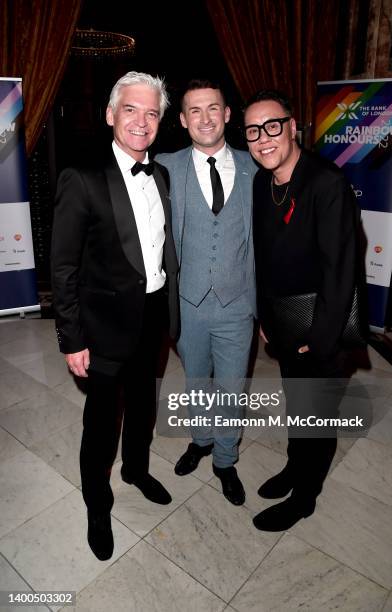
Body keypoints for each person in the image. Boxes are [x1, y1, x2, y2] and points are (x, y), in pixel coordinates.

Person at [51, 71, 179, 560]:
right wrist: (71, 338)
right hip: (102, 326)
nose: (141, 121)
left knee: (144, 404)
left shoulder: (161, 174)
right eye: (131, 109)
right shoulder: (81, 179)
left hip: (152, 314)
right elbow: (62, 267)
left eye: (151, 113)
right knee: (101, 422)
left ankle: (137, 469)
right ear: (110, 115)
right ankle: (97, 503)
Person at [244, 89, 360, 531]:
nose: (263, 138)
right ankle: (295, 468)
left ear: (293, 127)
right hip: (283, 321)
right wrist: (265, 318)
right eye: (253, 130)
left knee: (316, 414)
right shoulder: (262, 182)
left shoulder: (326, 183)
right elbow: (265, 257)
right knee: (298, 406)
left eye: (272, 125)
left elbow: (340, 270)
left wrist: (320, 338)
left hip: (319, 327)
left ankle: (305, 497)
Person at [156, 79, 257, 505]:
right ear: (181, 120)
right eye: (194, 111)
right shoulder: (164, 165)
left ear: (227, 113)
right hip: (185, 302)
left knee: (232, 387)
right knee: (196, 380)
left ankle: (225, 458)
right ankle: (200, 440)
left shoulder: (256, 165)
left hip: (238, 301)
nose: (205, 118)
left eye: (212, 108)